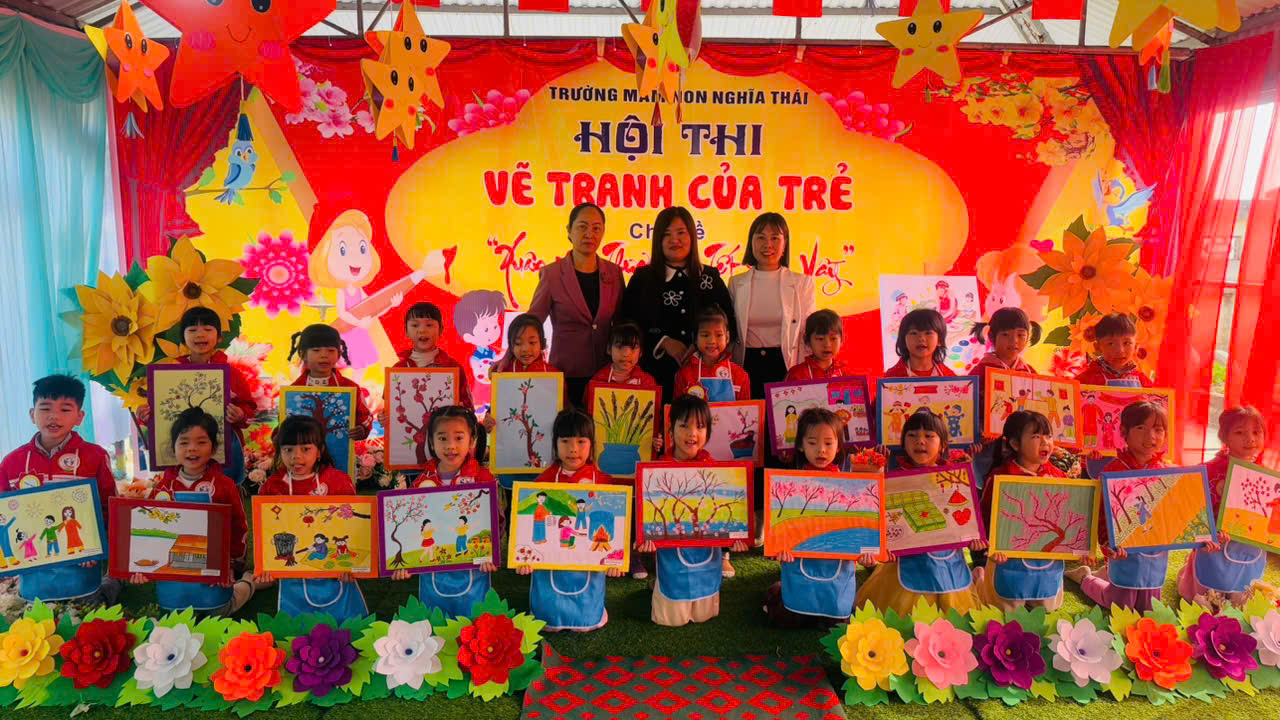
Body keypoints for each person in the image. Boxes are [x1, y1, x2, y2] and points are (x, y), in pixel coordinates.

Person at [0, 375, 118, 604]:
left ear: (80, 417)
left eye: (65, 409)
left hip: (82, 573)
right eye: (45, 408)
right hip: (34, 578)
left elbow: (109, 507)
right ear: (32, 414)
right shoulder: (12, 462)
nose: (53, 416)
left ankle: (111, 585)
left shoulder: (94, 456)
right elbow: (3, 514)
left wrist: (96, 546)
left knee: (87, 615)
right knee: (38, 622)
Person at [856, 409, 983, 617]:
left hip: (947, 557)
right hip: (907, 561)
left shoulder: (955, 478)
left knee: (954, 612)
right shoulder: (895, 479)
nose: (920, 441)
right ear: (903, 442)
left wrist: (973, 538)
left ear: (943, 444)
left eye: (929, 436)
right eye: (912, 435)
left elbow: (965, 516)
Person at [638, 395, 750, 624]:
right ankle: (659, 584)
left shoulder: (717, 472)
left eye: (700, 426)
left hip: (707, 559)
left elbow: (726, 518)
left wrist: (736, 539)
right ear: (671, 430)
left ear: (708, 431)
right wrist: (646, 539)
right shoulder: (657, 472)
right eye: (684, 426)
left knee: (704, 614)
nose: (692, 434)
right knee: (670, 618)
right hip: (672, 562)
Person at [130, 408, 254, 614]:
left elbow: (239, 527)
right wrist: (142, 566)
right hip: (173, 576)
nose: (192, 449)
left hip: (213, 574)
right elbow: (150, 531)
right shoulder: (163, 487)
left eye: (201, 442)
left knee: (220, 611)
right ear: (173, 448)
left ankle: (248, 584)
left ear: (214, 448)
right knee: (173, 614)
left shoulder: (225, 485)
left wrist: (231, 565)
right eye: (184, 442)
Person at [764, 409, 877, 627]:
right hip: (798, 569)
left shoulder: (853, 487)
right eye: (813, 442)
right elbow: (780, 532)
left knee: (838, 620)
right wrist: (779, 550)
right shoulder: (788, 484)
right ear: (800, 445)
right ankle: (780, 592)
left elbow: (861, 532)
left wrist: (867, 553)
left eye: (828, 443)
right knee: (788, 618)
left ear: (838, 446)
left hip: (838, 576)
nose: (821, 450)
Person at [1066, 401, 1181, 612]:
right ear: (1123, 432)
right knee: (1119, 605)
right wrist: (1108, 545)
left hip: (1155, 552)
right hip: (1123, 552)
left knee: (1149, 608)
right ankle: (1085, 578)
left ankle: (1105, 574)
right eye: (1141, 428)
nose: (1150, 436)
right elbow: (1101, 514)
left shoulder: (1170, 472)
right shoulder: (1114, 471)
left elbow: (1178, 512)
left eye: (1158, 430)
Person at [516, 409, 623, 632]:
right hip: (549, 563)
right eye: (565, 441)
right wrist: (523, 557)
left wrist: (615, 561)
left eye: (581, 441)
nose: (573, 449)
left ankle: (588, 615)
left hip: (588, 564)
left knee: (587, 614)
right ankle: (549, 614)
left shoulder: (604, 483)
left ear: (592, 444)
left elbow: (614, 530)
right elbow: (525, 530)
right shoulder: (541, 483)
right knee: (547, 613)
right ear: (555, 444)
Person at [619, 206, 737, 402]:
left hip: (705, 380)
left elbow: (730, 322)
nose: (675, 240)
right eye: (667, 234)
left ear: (692, 236)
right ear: (658, 240)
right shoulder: (642, 278)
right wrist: (663, 342)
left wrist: (701, 344)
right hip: (653, 376)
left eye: (681, 233)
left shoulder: (710, 277)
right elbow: (626, 324)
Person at [391, 406, 499, 618]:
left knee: (474, 617)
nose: (451, 446)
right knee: (436, 619)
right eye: (442, 438)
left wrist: (492, 553)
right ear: (431, 442)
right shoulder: (422, 481)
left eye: (459, 438)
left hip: (474, 565)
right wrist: (406, 563)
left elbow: (497, 520)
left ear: (472, 440)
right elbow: (411, 526)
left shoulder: (482, 479)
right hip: (433, 565)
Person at [257, 416, 367, 623]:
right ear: (279, 451)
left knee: (350, 625)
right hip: (292, 570)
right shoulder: (273, 486)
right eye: (288, 450)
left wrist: (352, 565)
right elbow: (265, 530)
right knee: (294, 628)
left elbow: (354, 527)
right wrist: (265, 565)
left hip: (335, 568)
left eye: (305, 449)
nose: (296, 456)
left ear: (320, 451)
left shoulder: (338, 481)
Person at [136, 307, 258, 485]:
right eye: (192, 330)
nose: (200, 334)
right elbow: (162, 415)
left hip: (222, 450)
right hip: (182, 454)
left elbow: (249, 410)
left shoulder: (232, 374)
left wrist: (240, 415)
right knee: (183, 493)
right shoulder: (170, 374)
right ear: (183, 338)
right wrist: (146, 416)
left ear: (219, 337)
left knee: (223, 492)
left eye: (207, 329)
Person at [529, 203, 626, 408]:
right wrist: (510, 357)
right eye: (582, 227)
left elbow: (622, 323)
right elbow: (532, 322)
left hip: (607, 374)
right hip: (566, 373)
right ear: (569, 231)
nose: (589, 234)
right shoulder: (552, 274)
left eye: (596, 228)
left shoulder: (614, 273)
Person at [976, 411, 1072, 612]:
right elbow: (983, 517)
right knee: (1005, 608)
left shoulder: (1059, 477)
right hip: (1006, 558)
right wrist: (991, 547)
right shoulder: (1000, 477)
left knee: (1047, 607)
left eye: (1048, 436)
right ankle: (979, 576)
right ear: (1015, 444)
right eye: (1036, 437)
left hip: (1046, 557)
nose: (1045, 442)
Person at [1177, 406, 1268, 606]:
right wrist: (1210, 531)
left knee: (1244, 592)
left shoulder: (1265, 475)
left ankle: (1239, 593)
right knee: (1208, 593)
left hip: (1247, 543)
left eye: (1256, 432)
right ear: (1224, 437)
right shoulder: (1208, 470)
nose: (1250, 439)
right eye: (1240, 432)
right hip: (1216, 541)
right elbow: (1195, 509)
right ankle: (1207, 592)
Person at [727, 212, 816, 400]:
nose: (767, 244)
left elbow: (806, 334)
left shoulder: (802, 283)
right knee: (749, 417)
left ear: (785, 244)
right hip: (746, 364)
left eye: (775, 238)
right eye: (761, 237)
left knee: (786, 417)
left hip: (785, 364)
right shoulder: (736, 283)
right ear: (751, 242)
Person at [287, 324, 372, 440]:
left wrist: (361, 429)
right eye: (316, 350)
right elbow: (284, 424)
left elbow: (365, 417)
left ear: (339, 354)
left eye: (331, 350)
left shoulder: (350, 388)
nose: (324, 355)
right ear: (302, 354)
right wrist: (278, 437)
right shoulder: (294, 390)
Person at [484, 313, 564, 432]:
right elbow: (496, 409)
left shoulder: (553, 376)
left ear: (542, 343)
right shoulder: (503, 375)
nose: (525, 349)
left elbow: (563, 414)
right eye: (518, 343)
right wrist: (489, 420)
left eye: (532, 342)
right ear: (511, 347)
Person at [392, 302, 475, 409]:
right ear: (406, 331)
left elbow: (469, 407)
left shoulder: (453, 367)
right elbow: (392, 406)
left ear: (441, 330)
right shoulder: (398, 369)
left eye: (429, 325)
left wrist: (462, 410)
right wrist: (384, 415)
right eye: (415, 325)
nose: (422, 330)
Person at [672, 305, 750, 402]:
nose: (712, 341)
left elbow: (747, 410)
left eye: (719, 335)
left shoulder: (740, 375)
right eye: (705, 335)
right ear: (695, 338)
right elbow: (678, 410)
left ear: (727, 337)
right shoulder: (684, 375)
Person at [1074, 313, 1153, 387]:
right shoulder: (1086, 380)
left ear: (1135, 347)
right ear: (1097, 347)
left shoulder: (1141, 380)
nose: (1120, 350)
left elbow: (1156, 395)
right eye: (1110, 344)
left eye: (1126, 343)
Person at [971, 307, 1041, 381]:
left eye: (1020, 335)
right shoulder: (981, 371)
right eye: (1005, 334)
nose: (1014, 340)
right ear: (991, 336)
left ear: (1028, 337)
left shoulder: (1030, 373)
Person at [884, 308, 957, 378]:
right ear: (903, 340)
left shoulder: (949, 377)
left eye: (928, 333)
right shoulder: (891, 378)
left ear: (939, 340)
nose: (921, 338)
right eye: (914, 333)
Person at [785, 310, 851, 381]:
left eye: (833, 338)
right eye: (820, 339)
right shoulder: (796, 375)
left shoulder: (847, 374)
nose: (827, 345)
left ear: (842, 339)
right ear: (807, 340)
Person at [589, 323, 658, 387]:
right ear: (609, 349)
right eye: (619, 347)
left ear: (641, 352)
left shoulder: (648, 383)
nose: (626, 354)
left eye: (633, 348)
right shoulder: (597, 380)